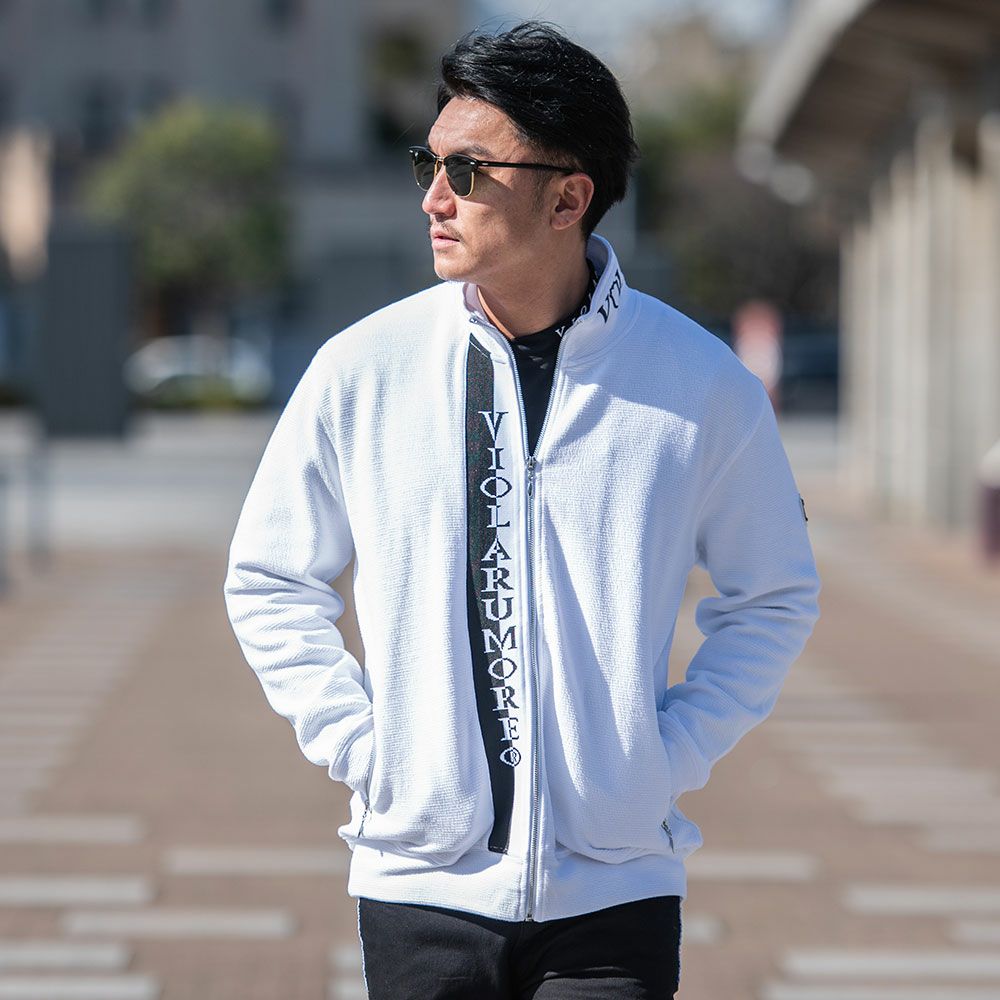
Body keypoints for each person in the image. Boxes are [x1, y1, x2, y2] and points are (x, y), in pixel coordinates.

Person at [223, 20, 821, 999]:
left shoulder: (699, 385)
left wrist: (660, 760)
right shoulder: (361, 371)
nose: (433, 197)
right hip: (419, 885)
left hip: (614, 896)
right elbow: (268, 579)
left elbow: (774, 594)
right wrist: (369, 752)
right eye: (428, 164)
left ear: (567, 198)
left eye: (466, 171)